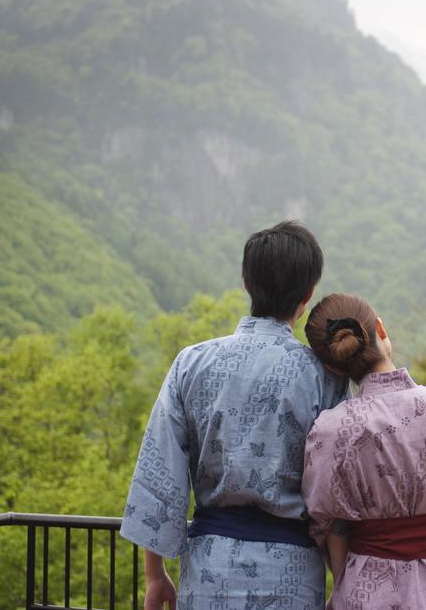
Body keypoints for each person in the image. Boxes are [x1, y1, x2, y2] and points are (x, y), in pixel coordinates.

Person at [121, 221, 346, 610]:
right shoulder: (323, 376)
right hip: (291, 579)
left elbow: (159, 472)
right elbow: (334, 492)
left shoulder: (192, 363)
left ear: (246, 284)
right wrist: (342, 584)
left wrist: (155, 576)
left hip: (210, 571)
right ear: (308, 294)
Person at [301, 294, 426, 610]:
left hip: (369, 589)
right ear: (380, 330)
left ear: (332, 364)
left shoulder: (331, 431)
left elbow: (326, 520)